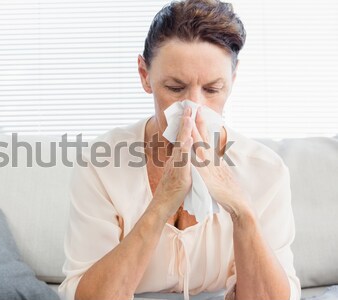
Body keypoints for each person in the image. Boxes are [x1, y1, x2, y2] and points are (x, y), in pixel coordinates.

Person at [58, 0, 301, 299]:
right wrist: (162, 204)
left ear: (232, 82)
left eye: (212, 89)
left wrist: (241, 212)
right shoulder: (100, 165)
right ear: (144, 75)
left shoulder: (267, 172)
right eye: (175, 87)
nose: (193, 108)